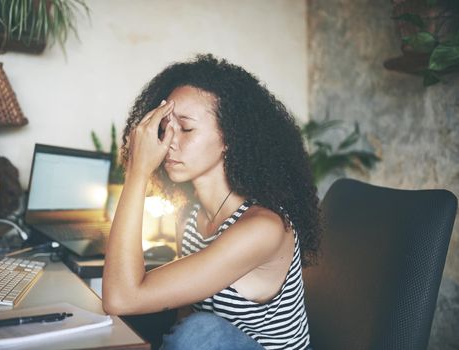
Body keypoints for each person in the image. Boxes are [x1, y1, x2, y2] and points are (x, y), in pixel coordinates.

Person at [102, 54, 321, 350]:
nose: (168, 142)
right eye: (165, 128)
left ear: (230, 137)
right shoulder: (191, 216)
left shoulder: (263, 228)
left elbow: (121, 297)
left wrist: (137, 172)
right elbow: (181, 307)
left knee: (199, 331)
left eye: (186, 129)